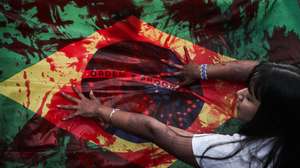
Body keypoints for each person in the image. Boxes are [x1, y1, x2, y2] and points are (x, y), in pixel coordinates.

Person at [57, 59, 300, 168]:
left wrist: (99, 110)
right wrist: (202, 71)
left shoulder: (240, 158)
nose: (239, 93)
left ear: (271, 116)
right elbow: (259, 70)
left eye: (249, 98)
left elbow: (158, 131)